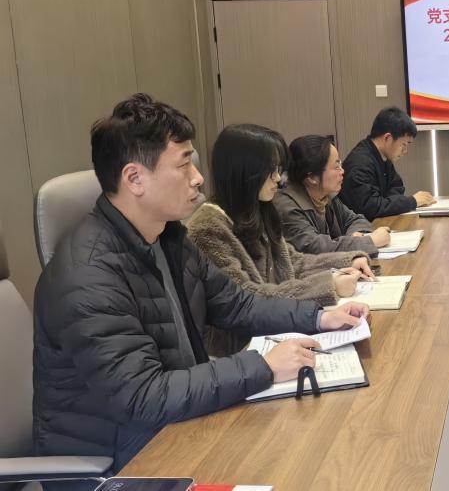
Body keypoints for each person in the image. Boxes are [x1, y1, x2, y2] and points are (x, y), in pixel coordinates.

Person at [33, 94, 370, 484]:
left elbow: (237, 304)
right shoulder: (87, 275)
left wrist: (320, 316)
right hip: (118, 466)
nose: (198, 178)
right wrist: (262, 366)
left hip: (174, 430)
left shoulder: (168, 238)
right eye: (183, 165)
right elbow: (143, 396)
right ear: (134, 179)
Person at [187, 124, 373, 357]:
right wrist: (329, 285)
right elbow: (248, 301)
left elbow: (293, 261)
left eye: (278, 169)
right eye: (271, 170)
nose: (278, 178)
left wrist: (348, 260)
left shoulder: (257, 210)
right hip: (239, 349)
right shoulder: (208, 228)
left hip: (279, 330)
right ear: (245, 171)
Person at [274, 134, 391, 257]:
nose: (342, 171)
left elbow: (356, 219)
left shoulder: (326, 195)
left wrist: (354, 237)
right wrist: (368, 241)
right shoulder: (287, 207)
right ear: (312, 178)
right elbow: (313, 248)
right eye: (336, 167)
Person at [339, 106, 435, 220]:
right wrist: (412, 201)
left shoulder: (381, 156)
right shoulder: (360, 164)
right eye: (404, 144)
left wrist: (388, 203)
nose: (405, 151)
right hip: (362, 228)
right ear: (388, 138)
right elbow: (370, 208)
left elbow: (396, 186)